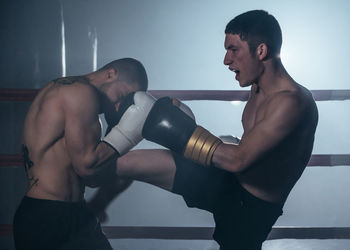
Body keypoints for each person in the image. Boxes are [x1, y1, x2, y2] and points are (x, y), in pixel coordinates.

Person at [88, 10, 319, 250]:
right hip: (225, 182)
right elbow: (256, 146)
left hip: (250, 208)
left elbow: (239, 161)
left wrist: (180, 131)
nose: (226, 60)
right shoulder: (258, 86)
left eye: (233, 50)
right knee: (121, 162)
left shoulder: (291, 102)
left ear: (260, 51)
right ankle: (78, 208)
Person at [13, 58, 150, 250]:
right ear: (110, 74)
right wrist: (131, 131)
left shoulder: (72, 96)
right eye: (121, 95)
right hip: (48, 216)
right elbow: (86, 166)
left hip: (70, 212)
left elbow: (91, 178)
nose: (119, 107)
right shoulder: (79, 92)